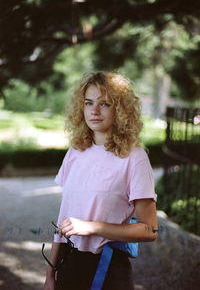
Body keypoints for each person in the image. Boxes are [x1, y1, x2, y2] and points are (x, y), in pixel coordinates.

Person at [42, 71, 158, 290]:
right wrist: (50, 274)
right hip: (70, 263)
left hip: (108, 269)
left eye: (104, 104)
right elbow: (64, 216)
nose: (94, 111)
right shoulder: (76, 151)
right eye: (88, 103)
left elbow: (150, 230)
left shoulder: (134, 158)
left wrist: (92, 227)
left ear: (121, 110)